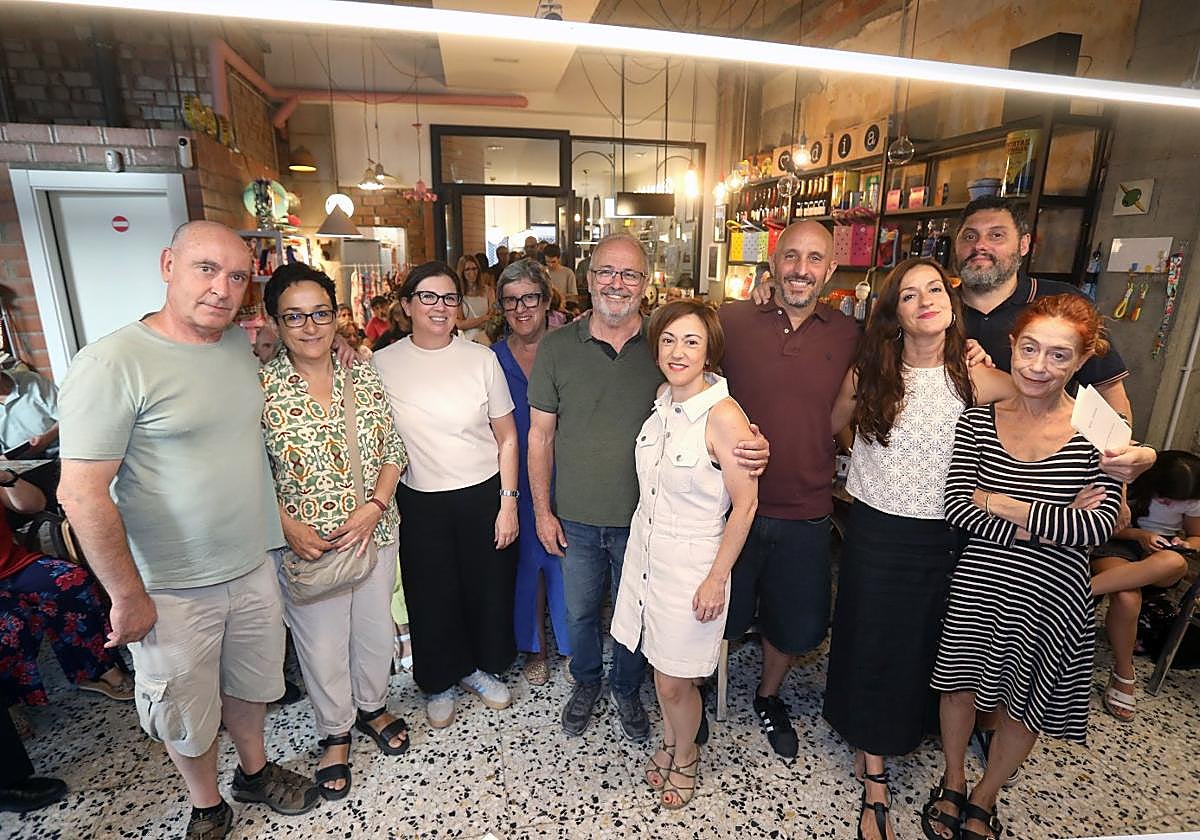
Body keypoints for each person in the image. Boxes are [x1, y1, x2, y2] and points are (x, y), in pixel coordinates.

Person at [57, 220, 319, 840]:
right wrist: (127, 595)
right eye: (207, 269)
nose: (222, 288)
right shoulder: (112, 363)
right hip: (170, 585)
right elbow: (81, 493)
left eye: (237, 276)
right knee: (183, 708)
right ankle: (207, 805)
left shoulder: (233, 348)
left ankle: (254, 771)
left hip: (251, 563)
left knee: (252, 685)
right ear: (167, 264)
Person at [528, 233, 769, 742]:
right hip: (575, 515)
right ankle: (586, 682)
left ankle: (627, 688)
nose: (616, 283)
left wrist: (752, 445)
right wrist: (542, 511)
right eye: (606, 272)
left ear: (644, 283)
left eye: (629, 274)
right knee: (580, 613)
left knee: (638, 617)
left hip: (646, 524)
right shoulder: (556, 347)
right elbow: (540, 436)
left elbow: (713, 408)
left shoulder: (664, 345)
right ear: (588, 278)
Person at [821, 258, 1015, 840]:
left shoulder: (976, 377)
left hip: (945, 533)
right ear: (894, 314)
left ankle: (911, 734)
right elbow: (834, 423)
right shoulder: (871, 372)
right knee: (870, 641)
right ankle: (874, 773)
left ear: (951, 304)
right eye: (910, 295)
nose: (926, 300)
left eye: (935, 289)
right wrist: (869, 460)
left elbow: (1043, 410)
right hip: (876, 531)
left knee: (925, 645)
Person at [922, 294, 1122, 840]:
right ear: (1012, 346)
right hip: (980, 580)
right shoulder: (978, 419)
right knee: (959, 687)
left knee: (1026, 702)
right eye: (1029, 349)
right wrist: (1052, 520)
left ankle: (986, 794)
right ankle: (955, 778)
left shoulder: (1100, 432)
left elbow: (1097, 527)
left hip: (1053, 595)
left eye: (1059, 355)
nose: (1039, 366)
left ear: (1082, 360)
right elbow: (957, 506)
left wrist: (1004, 503)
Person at [259, 263, 410, 802]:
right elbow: (247, 472)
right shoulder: (260, 388)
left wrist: (376, 506)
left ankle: (372, 706)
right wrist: (285, 525)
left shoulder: (362, 373)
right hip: (307, 543)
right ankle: (334, 732)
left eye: (320, 313)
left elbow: (393, 448)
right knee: (321, 645)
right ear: (274, 322)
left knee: (373, 632)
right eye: (294, 316)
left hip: (374, 530)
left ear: (336, 316)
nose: (310, 326)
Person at [718, 220, 859, 759]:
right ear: (773, 264)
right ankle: (702, 687)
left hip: (805, 504)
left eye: (814, 258)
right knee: (719, 610)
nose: (801, 269)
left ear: (831, 269)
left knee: (793, 621)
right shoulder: (732, 320)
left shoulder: (850, 334)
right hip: (731, 504)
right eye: (791, 256)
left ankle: (768, 694)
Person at [611, 300, 757, 809]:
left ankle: (688, 755)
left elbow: (746, 504)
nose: (678, 351)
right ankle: (672, 742)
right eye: (669, 340)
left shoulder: (725, 416)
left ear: (709, 352)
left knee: (676, 681)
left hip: (694, 565)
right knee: (660, 667)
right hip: (648, 556)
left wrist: (717, 578)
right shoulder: (662, 400)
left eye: (692, 341)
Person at [373, 261, 519, 729]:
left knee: (486, 587)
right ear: (407, 305)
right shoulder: (381, 363)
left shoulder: (481, 359)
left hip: (482, 493)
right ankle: (438, 680)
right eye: (428, 297)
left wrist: (509, 502)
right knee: (431, 593)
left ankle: (479, 668)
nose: (440, 307)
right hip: (419, 499)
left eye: (449, 298)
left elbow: (507, 437)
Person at [953, 196, 1132, 418]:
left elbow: (1109, 391)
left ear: (1024, 244)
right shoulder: (935, 308)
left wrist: (1119, 438)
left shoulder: (1061, 303)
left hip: (1041, 436)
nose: (980, 245)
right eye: (970, 236)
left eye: (996, 235)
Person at [491, 259, 572, 686]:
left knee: (566, 562)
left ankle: (574, 646)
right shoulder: (490, 359)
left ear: (546, 300)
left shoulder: (569, 348)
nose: (521, 309)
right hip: (512, 478)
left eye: (529, 298)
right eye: (511, 301)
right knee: (526, 565)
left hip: (567, 470)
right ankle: (535, 647)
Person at [1, 460, 134, 705]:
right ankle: (11, 706)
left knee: (70, 581)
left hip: (13, 564)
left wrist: (7, 478)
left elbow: (34, 504)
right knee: (10, 629)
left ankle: (96, 670)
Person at [1090, 450, 1198, 720]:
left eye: (1178, 501)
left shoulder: (1193, 496)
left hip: (1158, 558)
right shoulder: (1129, 482)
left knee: (1176, 563)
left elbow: (1197, 536)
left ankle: (1078, 592)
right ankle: (1124, 673)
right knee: (1127, 598)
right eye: (1165, 497)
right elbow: (1105, 527)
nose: (1170, 503)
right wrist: (1139, 535)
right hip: (1118, 546)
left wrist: (1184, 543)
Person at [0, 366, 58, 458]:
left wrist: (46, 438)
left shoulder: (32, 380)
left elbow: (68, 416)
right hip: (17, 461)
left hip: (57, 451)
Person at [455, 254, 496, 345]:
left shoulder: (488, 291)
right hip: (467, 340)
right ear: (462, 272)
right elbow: (459, 324)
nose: (472, 272)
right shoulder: (458, 294)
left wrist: (469, 323)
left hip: (487, 338)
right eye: (467, 269)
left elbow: (492, 318)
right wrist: (483, 319)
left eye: (474, 268)